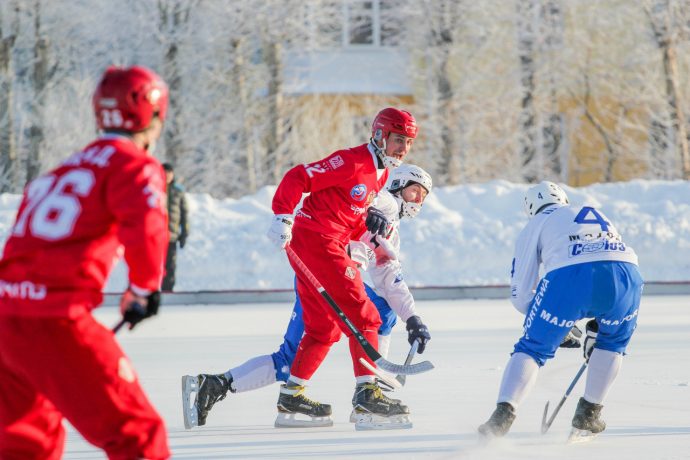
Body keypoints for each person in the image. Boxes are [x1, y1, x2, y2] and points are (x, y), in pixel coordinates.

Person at [0, 65, 171, 459]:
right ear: (152, 114)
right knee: (139, 437)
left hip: (7, 321)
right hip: (56, 321)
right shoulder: (134, 165)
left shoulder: (63, 170)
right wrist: (144, 290)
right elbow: (146, 228)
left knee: (27, 443)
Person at [182, 164, 433, 430]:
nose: (418, 200)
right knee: (375, 314)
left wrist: (413, 318)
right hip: (327, 271)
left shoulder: (391, 230)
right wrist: (371, 207)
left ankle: (215, 386)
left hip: (330, 277)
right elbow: (364, 198)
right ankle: (369, 391)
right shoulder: (382, 201)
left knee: (295, 356)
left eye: (423, 196)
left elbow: (389, 276)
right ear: (397, 186)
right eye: (414, 191)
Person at [264, 108, 430, 428]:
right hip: (318, 241)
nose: (403, 148)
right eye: (398, 140)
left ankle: (293, 394)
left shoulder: (380, 173)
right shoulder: (352, 162)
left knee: (323, 330)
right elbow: (299, 176)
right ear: (380, 135)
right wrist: (282, 214)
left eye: (408, 142)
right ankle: (367, 397)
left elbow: (348, 216)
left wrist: (370, 233)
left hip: (327, 243)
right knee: (366, 314)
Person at [478, 181, 643, 441]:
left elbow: (521, 293)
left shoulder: (536, 223)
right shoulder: (590, 210)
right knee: (612, 343)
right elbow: (604, 261)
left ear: (530, 208)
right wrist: (596, 327)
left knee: (533, 348)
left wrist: (552, 324)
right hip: (627, 274)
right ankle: (589, 413)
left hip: (571, 275)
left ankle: (503, 416)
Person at [161, 162, 189, 292]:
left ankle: (168, 290)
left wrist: (184, 232)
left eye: (169, 173)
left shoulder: (178, 191)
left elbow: (184, 213)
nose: (167, 176)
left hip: (171, 235)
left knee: (170, 266)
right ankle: (154, 291)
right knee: (155, 266)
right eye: (164, 173)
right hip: (155, 236)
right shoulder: (153, 188)